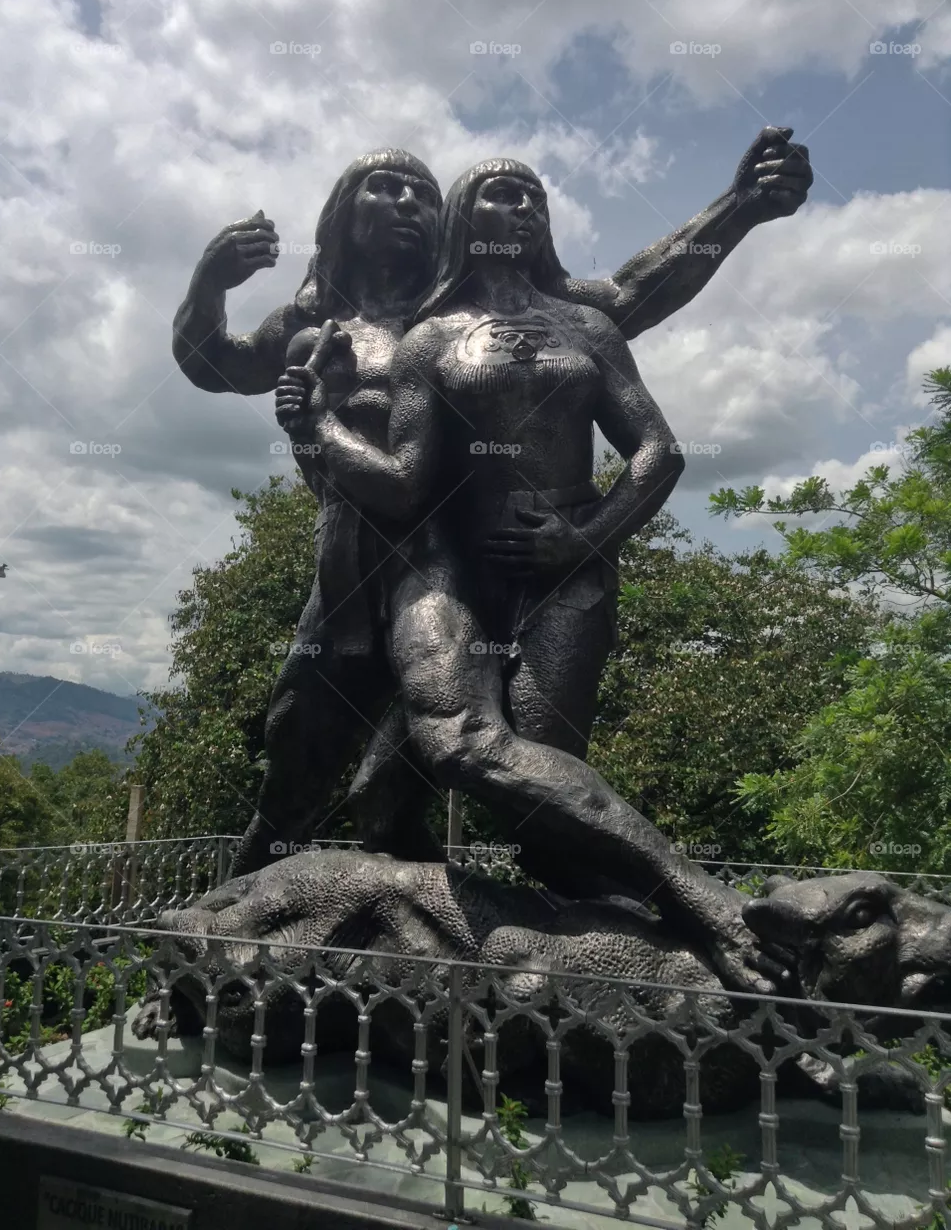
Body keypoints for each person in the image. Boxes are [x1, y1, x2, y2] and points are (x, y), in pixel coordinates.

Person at [172, 130, 812, 880]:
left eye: (421, 192)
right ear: (342, 213)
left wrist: (739, 207)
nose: (406, 201)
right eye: (384, 186)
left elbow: (631, 294)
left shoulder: (466, 309)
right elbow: (211, 362)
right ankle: (241, 915)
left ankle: (552, 911)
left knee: (448, 759)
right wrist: (209, 281)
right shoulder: (309, 328)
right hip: (349, 563)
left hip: (447, 562)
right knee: (300, 750)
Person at [281, 159, 776, 991]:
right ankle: (444, 956)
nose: (522, 206)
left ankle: (683, 939)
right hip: (462, 581)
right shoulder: (430, 341)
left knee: (540, 805)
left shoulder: (585, 327)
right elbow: (403, 485)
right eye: (500, 193)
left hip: (564, 582)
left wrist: (581, 541)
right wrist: (318, 426)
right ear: (462, 217)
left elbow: (657, 453)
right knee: (389, 794)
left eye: (534, 196)